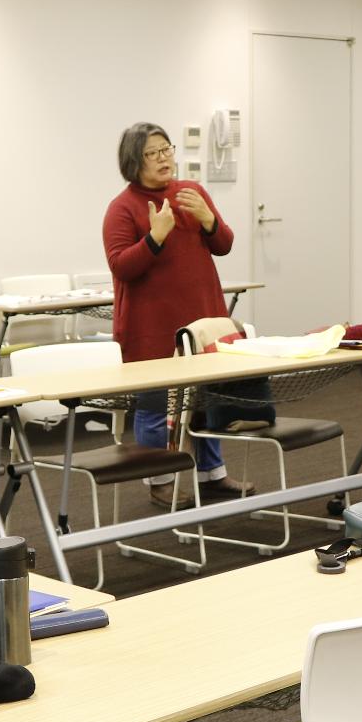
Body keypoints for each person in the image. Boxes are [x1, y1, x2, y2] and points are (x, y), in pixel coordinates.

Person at [103, 122, 254, 509]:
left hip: (203, 322)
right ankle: (160, 480)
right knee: (156, 408)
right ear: (133, 162)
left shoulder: (193, 193)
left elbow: (224, 244)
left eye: (166, 150)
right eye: (153, 154)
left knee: (207, 403)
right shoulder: (122, 208)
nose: (164, 159)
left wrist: (209, 220)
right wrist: (155, 237)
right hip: (150, 327)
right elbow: (122, 266)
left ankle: (212, 475)